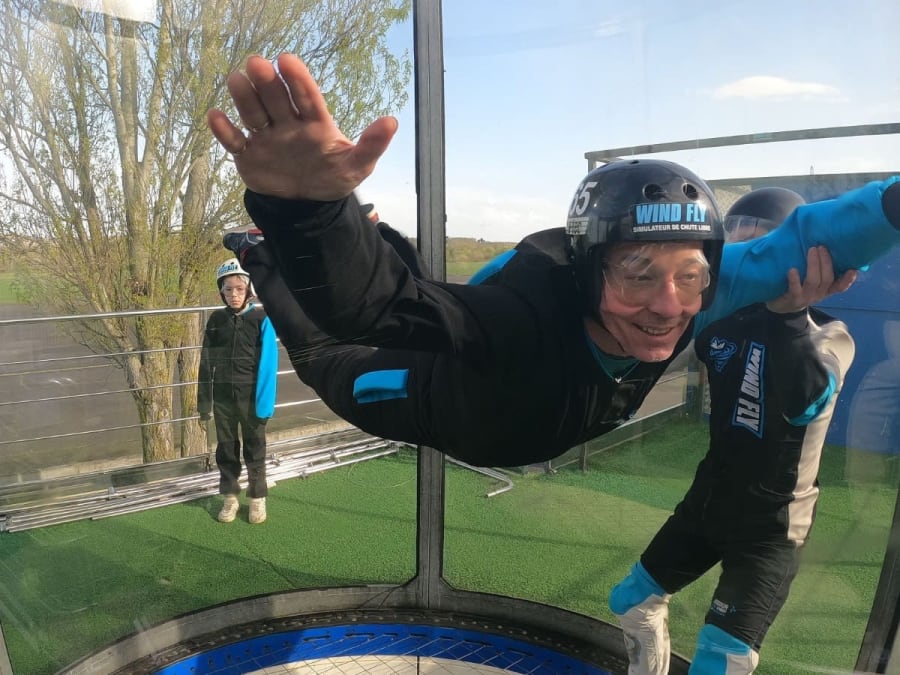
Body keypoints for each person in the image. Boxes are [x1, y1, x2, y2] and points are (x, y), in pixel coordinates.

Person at [205, 52, 900, 469]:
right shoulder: (520, 320)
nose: (667, 307)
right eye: (638, 276)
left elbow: (804, 238)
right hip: (430, 394)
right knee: (328, 350)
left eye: (689, 276)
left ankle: (364, 228)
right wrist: (308, 211)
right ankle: (259, 249)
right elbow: (368, 307)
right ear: (590, 271)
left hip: (508, 385)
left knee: (414, 284)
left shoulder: (702, 291)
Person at [608, 187, 856, 674]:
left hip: (771, 526)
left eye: (763, 244)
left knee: (722, 661)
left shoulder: (830, 333)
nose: (750, 258)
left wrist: (788, 317)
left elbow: (805, 400)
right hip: (707, 501)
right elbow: (650, 356)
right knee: (631, 603)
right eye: (739, 242)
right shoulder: (720, 321)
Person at [198, 258, 279, 524]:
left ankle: (257, 499)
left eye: (239, 289)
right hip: (223, 398)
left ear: (249, 290)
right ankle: (230, 498)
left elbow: (269, 364)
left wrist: (264, 405)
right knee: (226, 449)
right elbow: (205, 362)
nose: (233, 294)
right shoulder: (216, 320)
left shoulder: (262, 319)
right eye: (228, 289)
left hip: (252, 398)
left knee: (255, 449)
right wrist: (204, 403)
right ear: (221, 291)